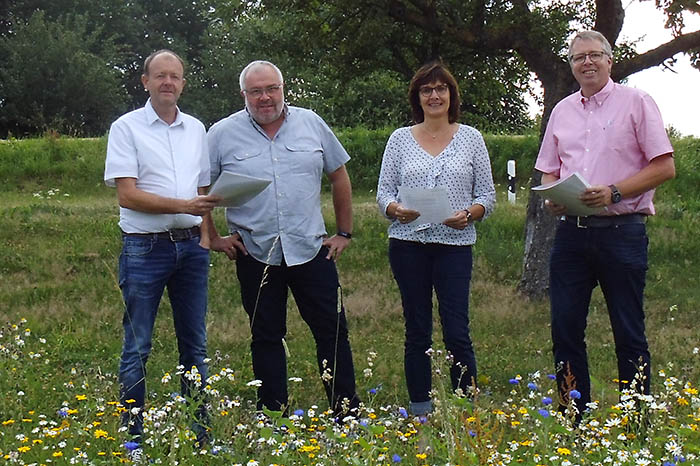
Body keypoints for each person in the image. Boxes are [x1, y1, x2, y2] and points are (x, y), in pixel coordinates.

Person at [205, 60, 360, 417]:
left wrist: (344, 232)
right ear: (243, 94)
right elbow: (201, 188)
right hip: (255, 252)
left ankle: (347, 413)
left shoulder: (311, 123)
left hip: (311, 249)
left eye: (271, 89)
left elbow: (339, 176)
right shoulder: (222, 134)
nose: (265, 98)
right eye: (255, 91)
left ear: (283, 88)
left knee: (333, 332)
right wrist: (213, 237)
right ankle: (273, 415)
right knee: (266, 336)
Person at [535, 30, 675, 417]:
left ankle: (635, 423)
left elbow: (665, 166)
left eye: (595, 55)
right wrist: (553, 196)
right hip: (571, 237)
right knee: (564, 331)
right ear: (572, 66)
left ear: (610, 61)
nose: (588, 63)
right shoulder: (562, 111)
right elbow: (548, 171)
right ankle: (574, 421)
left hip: (622, 232)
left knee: (628, 333)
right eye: (579, 58)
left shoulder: (637, 102)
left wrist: (615, 192)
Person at [104, 49, 220, 445]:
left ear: (183, 84)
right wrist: (184, 205)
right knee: (138, 345)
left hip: (191, 248)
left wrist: (210, 233)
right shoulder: (126, 127)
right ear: (145, 82)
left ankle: (200, 435)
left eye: (175, 76)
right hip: (143, 249)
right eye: (160, 76)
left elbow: (202, 189)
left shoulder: (197, 129)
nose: (168, 82)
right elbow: (128, 195)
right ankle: (133, 439)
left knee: (195, 345)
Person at [376, 62, 496, 416]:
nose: (434, 95)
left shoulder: (471, 138)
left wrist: (469, 214)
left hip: (454, 246)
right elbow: (383, 194)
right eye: (426, 90)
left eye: (441, 88)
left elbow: (487, 195)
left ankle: (464, 409)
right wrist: (396, 209)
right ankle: (421, 410)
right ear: (417, 97)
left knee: (457, 329)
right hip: (408, 244)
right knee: (417, 330)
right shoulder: (399, 139)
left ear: (451, 95)